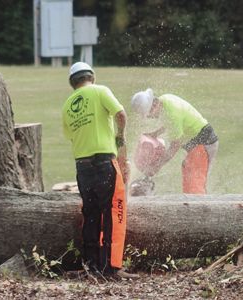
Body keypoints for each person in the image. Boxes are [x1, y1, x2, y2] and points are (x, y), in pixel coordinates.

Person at [62, 62, 137, 279]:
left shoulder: (67, 105)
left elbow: (71, 136)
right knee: (113, 210)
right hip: (104, 162)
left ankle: (92, 266)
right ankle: (111, 267)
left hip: (82, 166)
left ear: (72, 83)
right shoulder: (100, 91)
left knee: (91, 214)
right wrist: (120, 137)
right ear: (91, 77)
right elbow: (121, 115)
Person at [131, 88, 218, 194]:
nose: (151, 117)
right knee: (188, 171)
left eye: (149, 115)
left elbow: (175, 145)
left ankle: (199, 209)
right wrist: (156, 133)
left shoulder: (172, 113)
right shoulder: (164, 100)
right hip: (198, 143)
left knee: (194, 184)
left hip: (204, 143)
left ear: (153, 106)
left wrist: (157, 166)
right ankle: (191, 206)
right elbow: (172, 123)